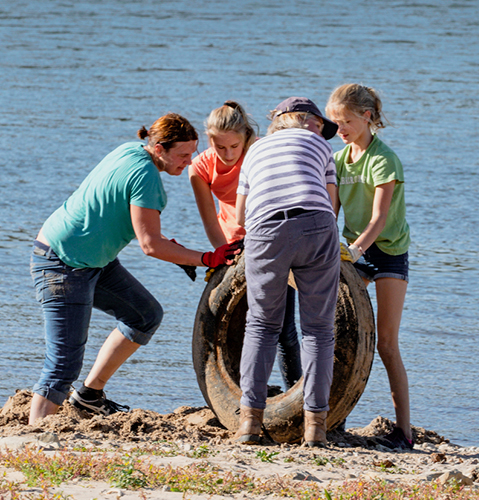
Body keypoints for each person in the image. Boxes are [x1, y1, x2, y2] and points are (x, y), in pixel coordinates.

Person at [29, 113, 241, 425]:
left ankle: (89, 397)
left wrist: (181, 253)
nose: (189, 162)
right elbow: (150, 245)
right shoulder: (148, 178)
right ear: (159, 149)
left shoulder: (129, 150)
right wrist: (207, 258)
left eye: (193, 152)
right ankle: (34, 437)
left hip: (93, 260)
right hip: (64, 264)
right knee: (63, 364)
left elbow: (118, 211)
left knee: (144, 315)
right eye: (182, 154)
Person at [234, 97, 340, 447]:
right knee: (319, 330)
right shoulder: (320, 146)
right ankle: (316, 428)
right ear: (305, 121)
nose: (320, 129)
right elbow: (331, 201)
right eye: (318, 123)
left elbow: (239, 216)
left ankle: (249, 423)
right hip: (317, 224)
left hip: (265, 230)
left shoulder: (256, 150)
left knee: (262, 325)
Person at [189, 101, 302, 390]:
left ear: (247, 136)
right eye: (219, 147)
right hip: (230, 243)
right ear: (209, 141)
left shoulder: (262, 151)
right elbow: (210, 221)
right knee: (238, 324)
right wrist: (224, 253)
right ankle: (242, 391)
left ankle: (295, 389)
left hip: (271, 238)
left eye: (234, 147)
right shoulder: (200, 168)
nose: (227, 155)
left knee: (282, 326)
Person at [326, 84, 413, 450]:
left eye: (345, 121)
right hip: (352, 252)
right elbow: (331, 213)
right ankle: (332, 416)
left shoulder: (383, 159)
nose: (340, 129)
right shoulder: (336, 159)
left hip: (387, 252)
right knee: (335, 334)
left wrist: (356, 250)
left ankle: (404, 432)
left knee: (387, 344)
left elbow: (378, 218)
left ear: (367, 116)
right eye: (335, 123)